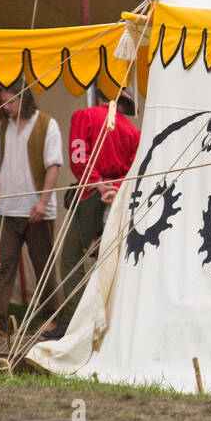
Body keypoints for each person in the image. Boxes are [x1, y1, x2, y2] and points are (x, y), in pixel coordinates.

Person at [0, 80, 63, 339]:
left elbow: (53, 166)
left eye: (11, 101)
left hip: (36, 210)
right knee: (2, 265)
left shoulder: (47, 124)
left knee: (43, 266)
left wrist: (43, 201)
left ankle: (51, 319)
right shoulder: (3, 127)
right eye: (4, 102)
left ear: (23, 98)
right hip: (7, 210)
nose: (6, 107)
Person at [61, 93, 140, 321]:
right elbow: (133, 170)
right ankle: (111, 317)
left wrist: (97, 184)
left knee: (71, 258)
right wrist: (114, 188)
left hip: (91, 195)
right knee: (111, 258)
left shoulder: (84, 116)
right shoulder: (133, 133)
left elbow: (78, 157)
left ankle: (73, 320)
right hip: (117, 196)